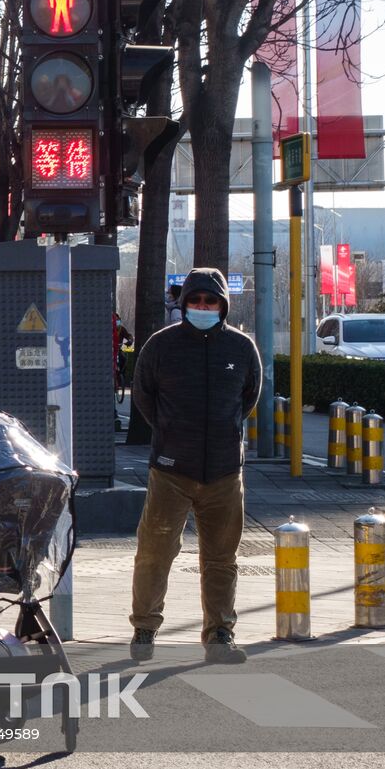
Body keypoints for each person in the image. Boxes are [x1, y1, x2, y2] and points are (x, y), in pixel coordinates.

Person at [129, 269, 261, 665]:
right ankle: (144, 628)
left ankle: (220, 634)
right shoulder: (160, 345)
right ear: (184, 303)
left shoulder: (241, 348)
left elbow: (248, 398)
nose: (203, 307)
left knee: (222, 558)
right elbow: (144, 396)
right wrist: (170, 431)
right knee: (154, 553)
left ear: (223, 306)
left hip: (224, 471)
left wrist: (224, 432)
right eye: (196, 300)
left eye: (211, 301)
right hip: (171, 470)